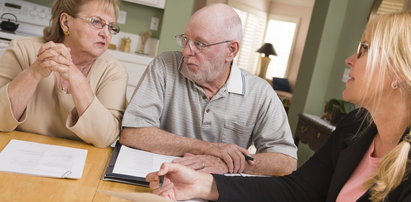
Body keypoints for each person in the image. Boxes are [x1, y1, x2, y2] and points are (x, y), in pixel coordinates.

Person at [146, 11, 411, 202]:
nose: (349, 59)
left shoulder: (260, 92)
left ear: (398, 72)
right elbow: (297, 190)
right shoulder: (355, 126)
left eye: (364, 49)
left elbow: (284, 163)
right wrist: (203, 185)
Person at [120, 3, 297, 176]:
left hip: (218, 190)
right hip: (162, 178)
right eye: (185, 40)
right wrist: (210, 149)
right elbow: (132, 134)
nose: (186, 52)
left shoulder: (260, 93)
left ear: (231, 50)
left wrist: (227, 163)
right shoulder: (165, 66)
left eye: (199, 43)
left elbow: (286, 162)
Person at [0, 0, 127, 148]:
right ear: (66, 22)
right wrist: (34, 72)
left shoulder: (113, 71)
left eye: (111, 26)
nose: (105, 33)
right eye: (97, 22)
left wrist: (76, 78)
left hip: (79, 165)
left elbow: (105, 138)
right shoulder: (22, 50)